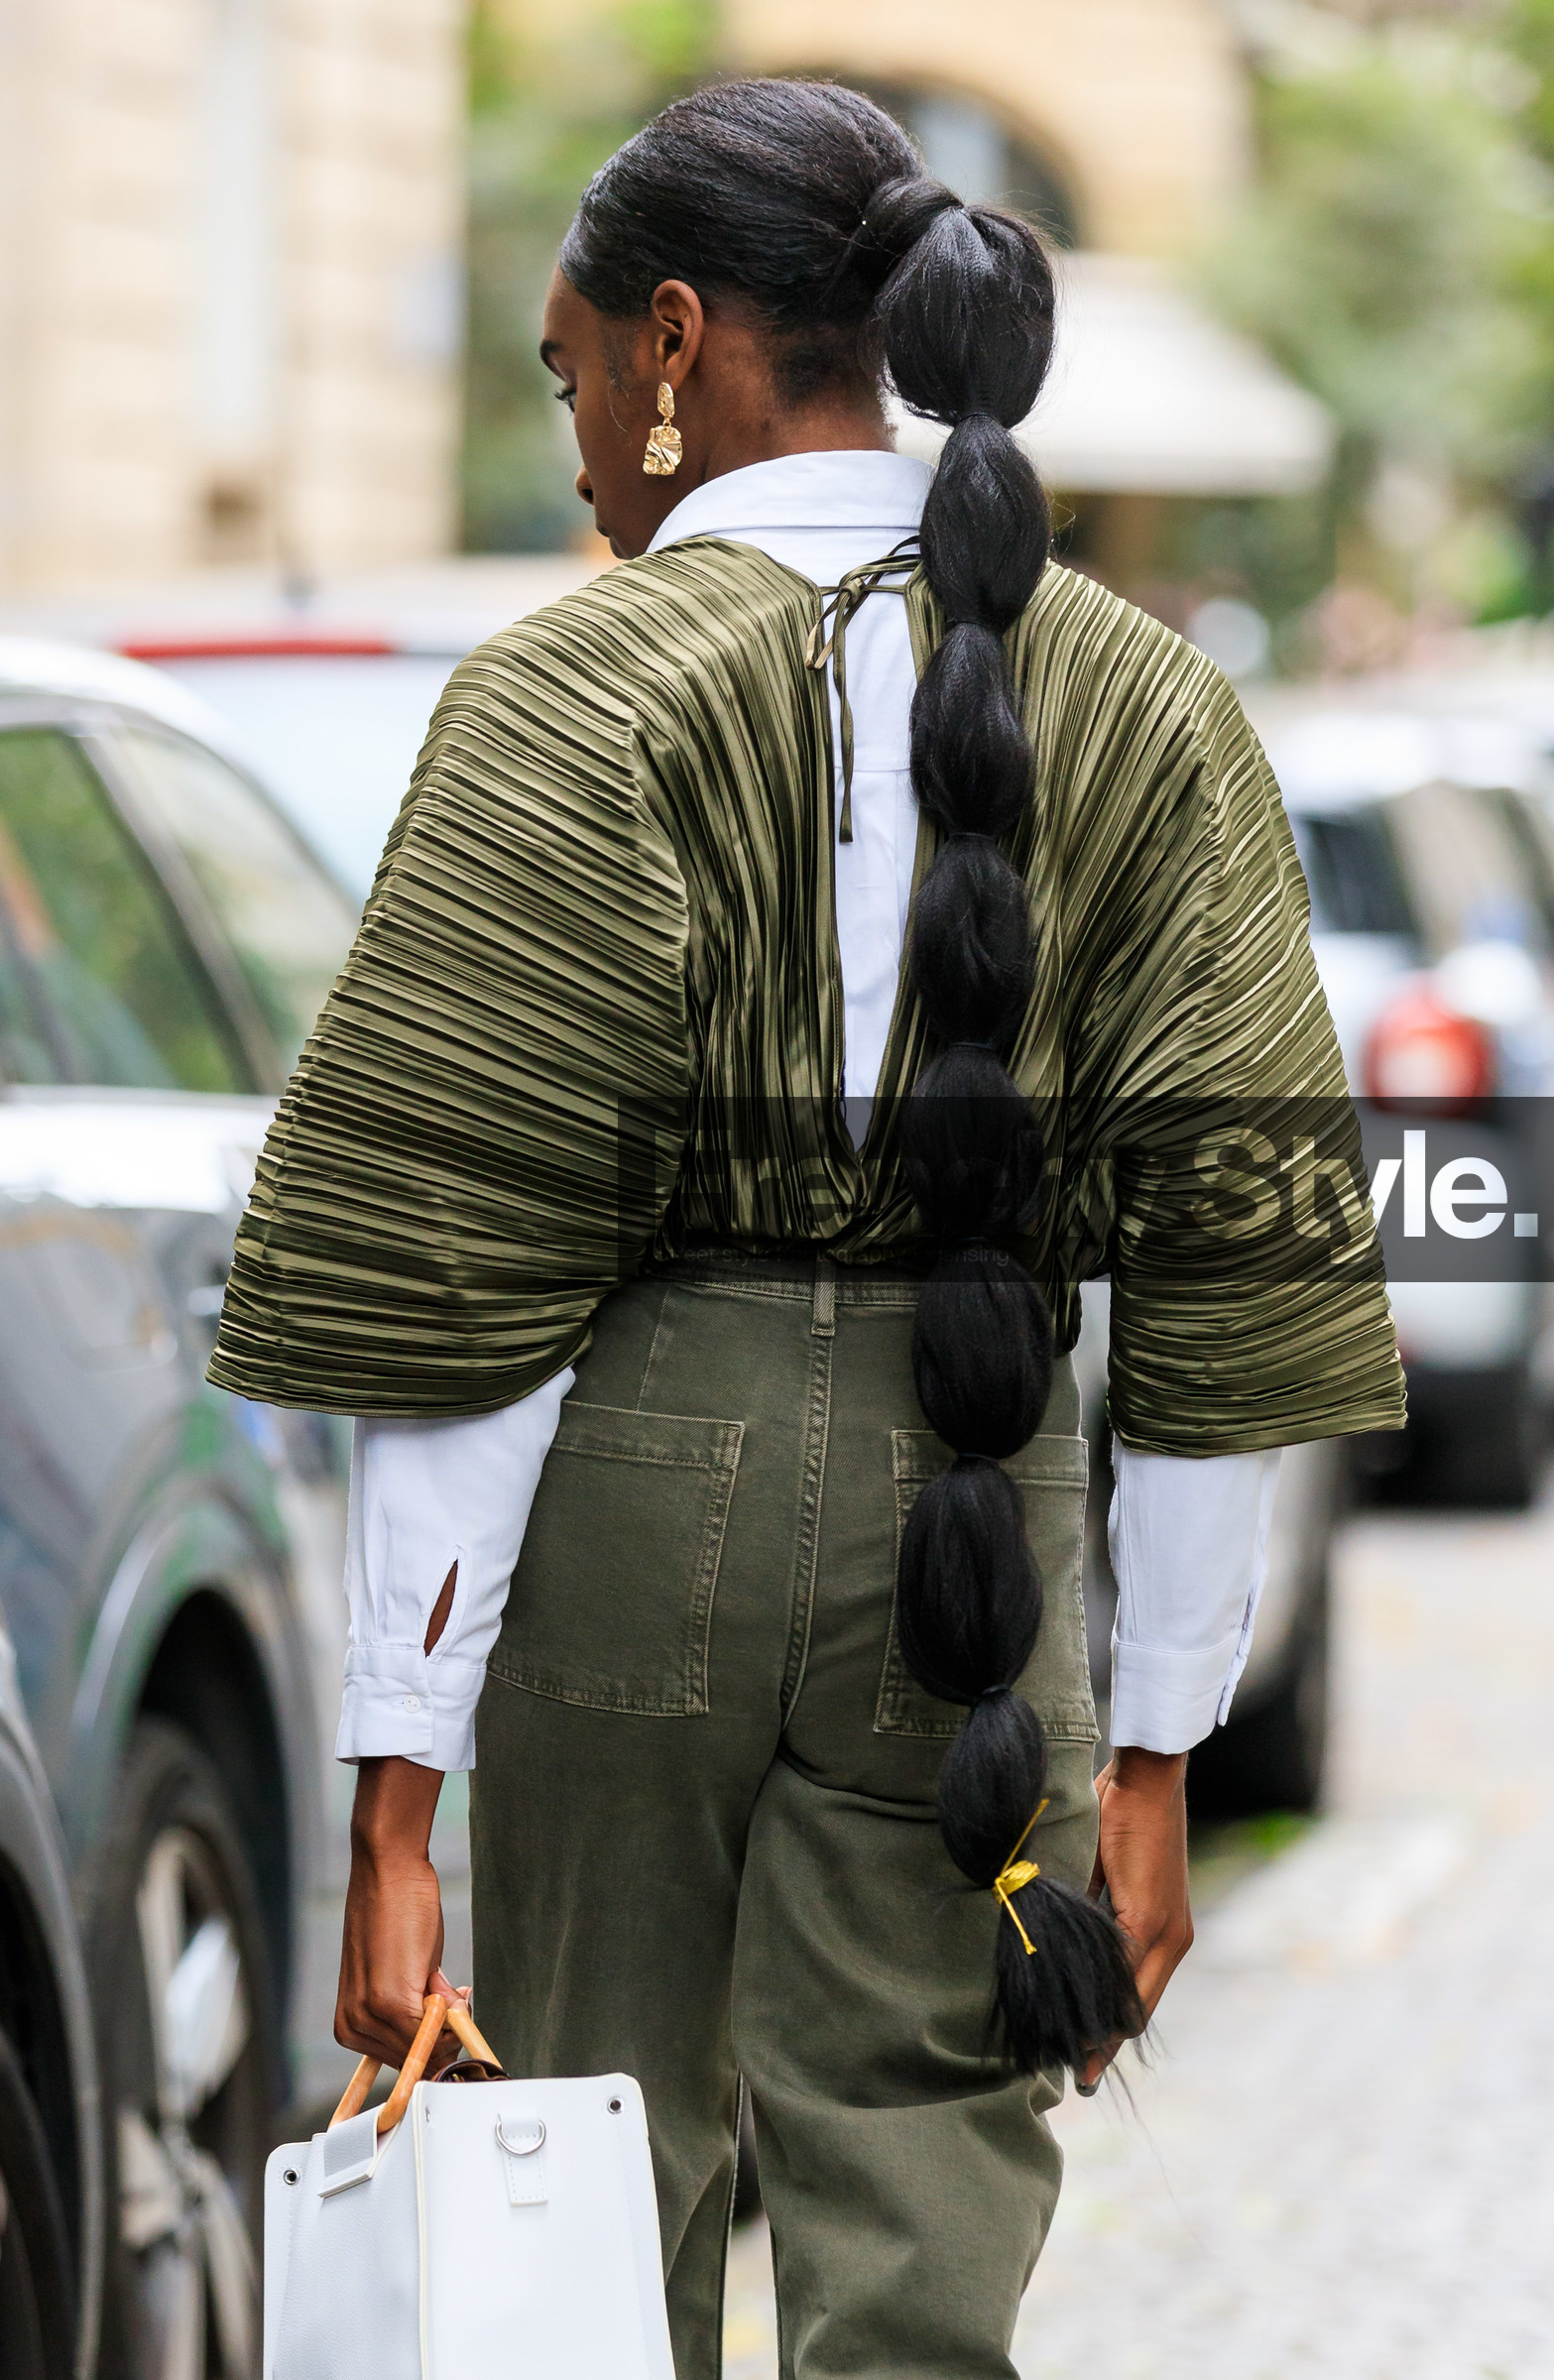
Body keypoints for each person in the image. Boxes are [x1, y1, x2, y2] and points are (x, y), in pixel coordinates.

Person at [210, 78, 1403, 2380]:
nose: (575, 451)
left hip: (635, 1487)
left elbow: (469, 1279)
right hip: (982, 1505)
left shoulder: (574, 695)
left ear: (675, 341)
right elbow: (1226, 1273)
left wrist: (390, 1797)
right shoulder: (1151, 707)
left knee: (570, 2190)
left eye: (568, 376)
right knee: (925, 2239)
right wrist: (1151, 1756)